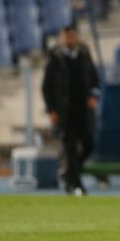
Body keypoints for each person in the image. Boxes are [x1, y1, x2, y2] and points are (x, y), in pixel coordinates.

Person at [42, 25, 100, 196]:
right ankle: (77, 185)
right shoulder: (55, 58)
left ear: (77, 37)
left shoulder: (84, 55)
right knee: (70, 148)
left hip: (84, 110)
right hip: (64, 111)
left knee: (89, 144)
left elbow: (95, 80)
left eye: (72, 36)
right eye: (66, 37)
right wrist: (52, 109)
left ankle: (69, 174)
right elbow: (47, 87)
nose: (69, 40)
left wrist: (93, 96)